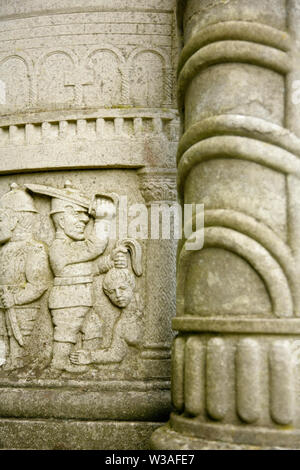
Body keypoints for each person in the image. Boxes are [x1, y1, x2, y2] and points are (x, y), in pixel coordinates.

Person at [26, 181, 126, 372]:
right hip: (67, 301)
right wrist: (103, 220)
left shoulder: (71, 248)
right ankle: (59, 363)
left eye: (86, 218)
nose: (85, 221)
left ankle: (85, 359)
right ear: (62, 221)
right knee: (66, 332)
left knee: (93, 326)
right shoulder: (59, 249)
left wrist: (110, 263)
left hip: (80, 298)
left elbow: (90, 267)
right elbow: (93, 247)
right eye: (78, 217)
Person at [0, 183, 51, 370]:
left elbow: (39, 284)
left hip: (21, 309)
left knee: (17, 343)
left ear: (14, 221)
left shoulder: (33, 249)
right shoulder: (4, 249)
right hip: (3, 302)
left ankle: (18, 359)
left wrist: (15, 298)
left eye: (0, 220)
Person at [70, 267, 143, 366]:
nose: (118, 295)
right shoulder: (121, 325)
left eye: (122, 288)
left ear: (132, 286)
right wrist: (90, 356)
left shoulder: (149, 308)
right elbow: (116, 354)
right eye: (112, 292)